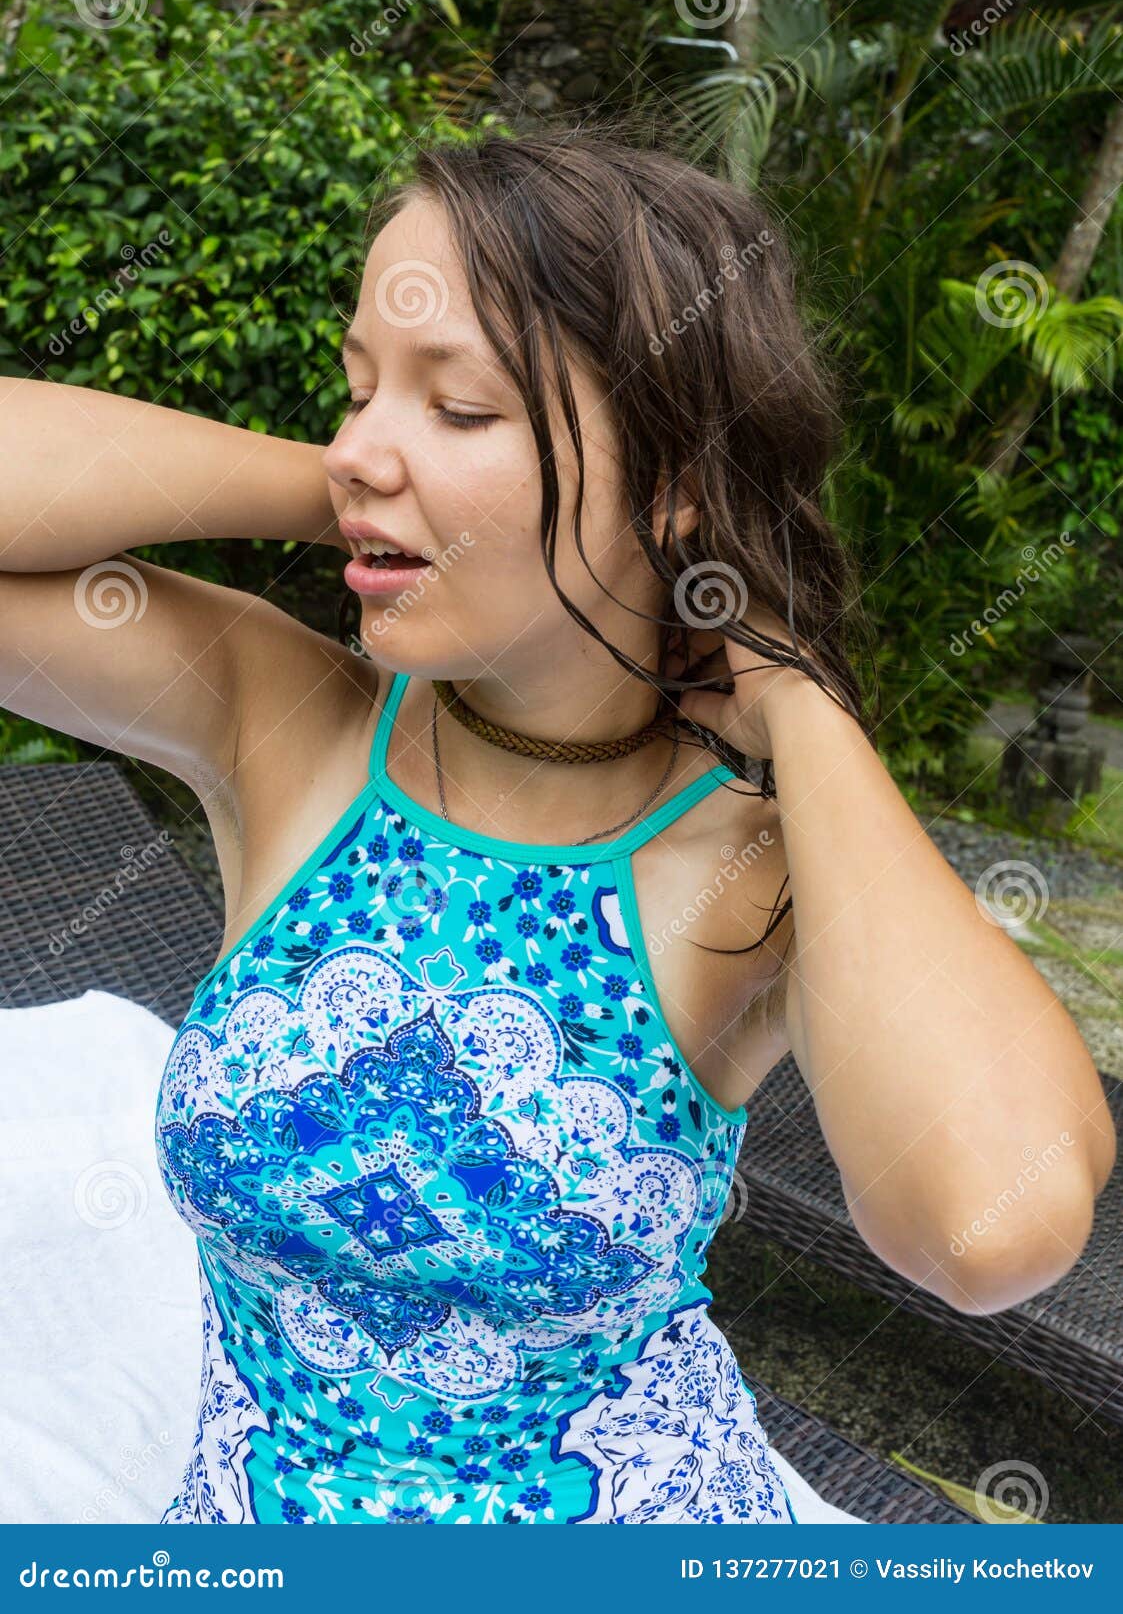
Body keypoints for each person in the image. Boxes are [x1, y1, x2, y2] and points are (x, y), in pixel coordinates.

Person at [0, 126, 1114, 1526]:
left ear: (671, 475)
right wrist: (361, 485)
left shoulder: (754, 860)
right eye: (357, 393)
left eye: (459, 408)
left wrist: (804, 712)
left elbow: (991, 1226)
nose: (364, 442)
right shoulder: (286, 724)